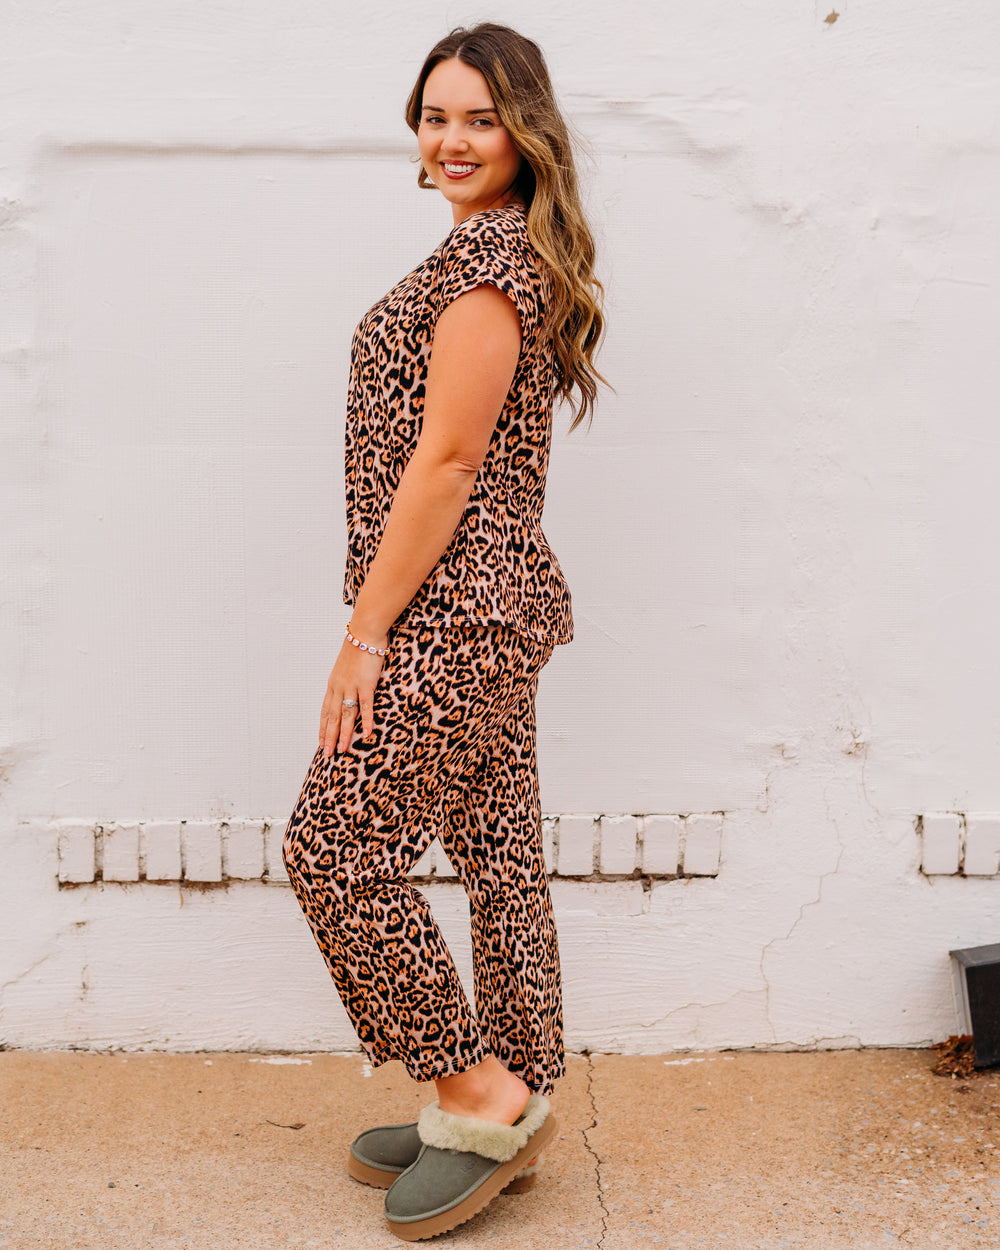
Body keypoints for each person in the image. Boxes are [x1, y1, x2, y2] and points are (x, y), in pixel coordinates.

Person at [282, 21, 605, 1241]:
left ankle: (475, 1092)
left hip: (457, 609)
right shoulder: (495, 251)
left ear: (526, 131)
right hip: (493, 602)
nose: (453, 139)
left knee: (331, 844)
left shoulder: (484, 272)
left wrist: (364, 634)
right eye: (435, 116)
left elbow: (451, 460)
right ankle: (510, 1086)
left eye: (481, 117)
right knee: (495, 850)